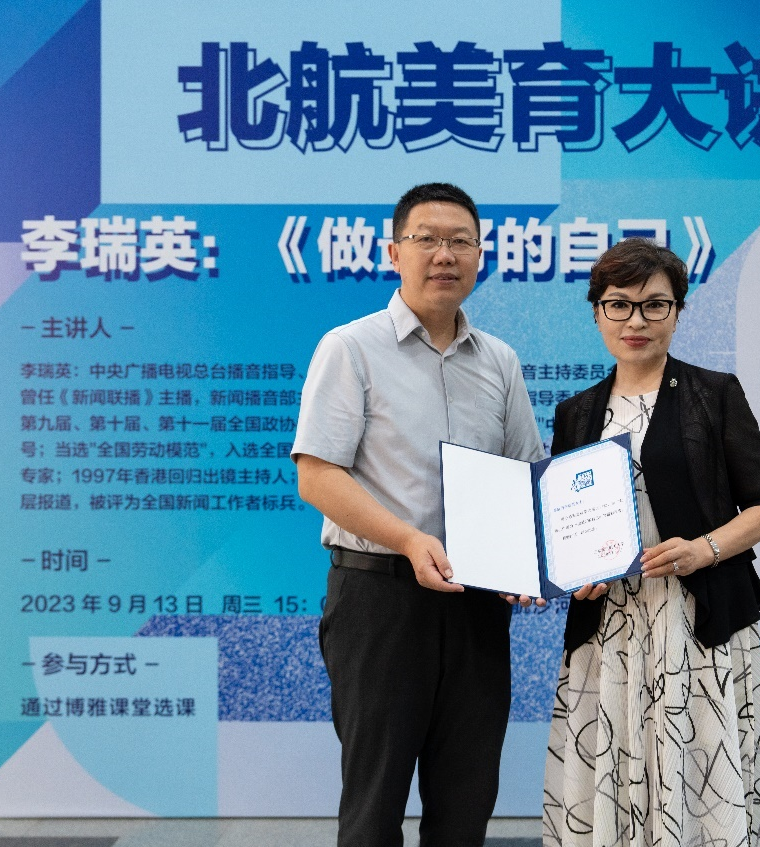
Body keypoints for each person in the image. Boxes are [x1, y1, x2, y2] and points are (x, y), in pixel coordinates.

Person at [291, 183, 545, 846]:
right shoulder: (350, 347)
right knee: (373, 806)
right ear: (393, 253)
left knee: (466, 801)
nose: (444, 255)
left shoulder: (499, 361)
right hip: (380, 601)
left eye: (460, 241)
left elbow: (525, 477)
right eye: (426, 239)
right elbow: (317, 474)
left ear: (480, 255)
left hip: (477, 605)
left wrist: (534, 561)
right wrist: (408, 539)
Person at [543, 238, 760, 847]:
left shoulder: (715, 393)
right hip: (610, 626)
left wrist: (705, 549)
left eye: (655, 305)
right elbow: (565, 523)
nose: (637, 321)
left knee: (704, 777)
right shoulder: (576, 412)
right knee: (611, 775)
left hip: (700, 620)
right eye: (618, 305)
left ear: (677, 311)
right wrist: (575, 574)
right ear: (597, 312)